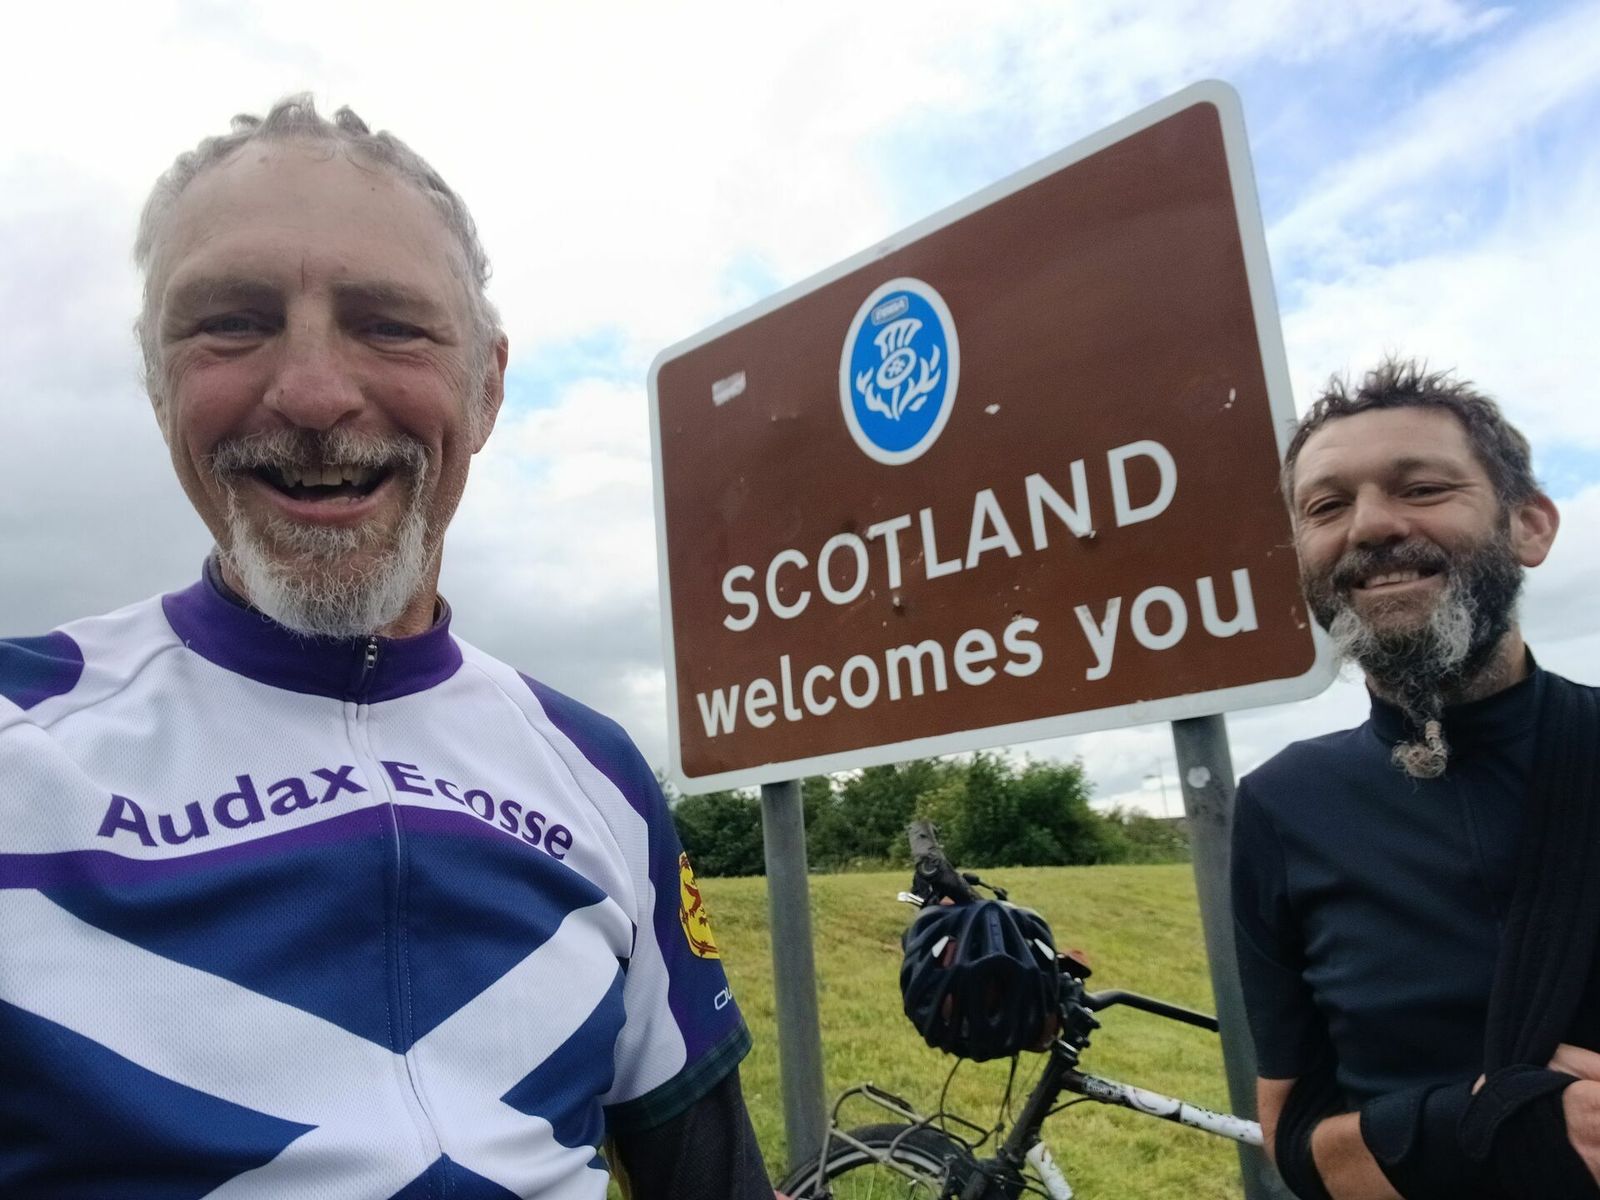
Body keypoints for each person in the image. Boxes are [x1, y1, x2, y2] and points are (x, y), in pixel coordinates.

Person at [0, 96, 771, 1199]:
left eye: (391, 325)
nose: (313, 395)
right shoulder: (20, 738)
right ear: (158, 382)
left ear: (488, 387)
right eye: (232, 322)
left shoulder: (596, 771)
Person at [1231, 358, 1600, 1200]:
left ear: (1530, 526)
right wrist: (1483, 1134)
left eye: (1423, 488)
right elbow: (1293, 1140)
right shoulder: (1283, 804)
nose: (1369, 526)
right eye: (1327, 506)